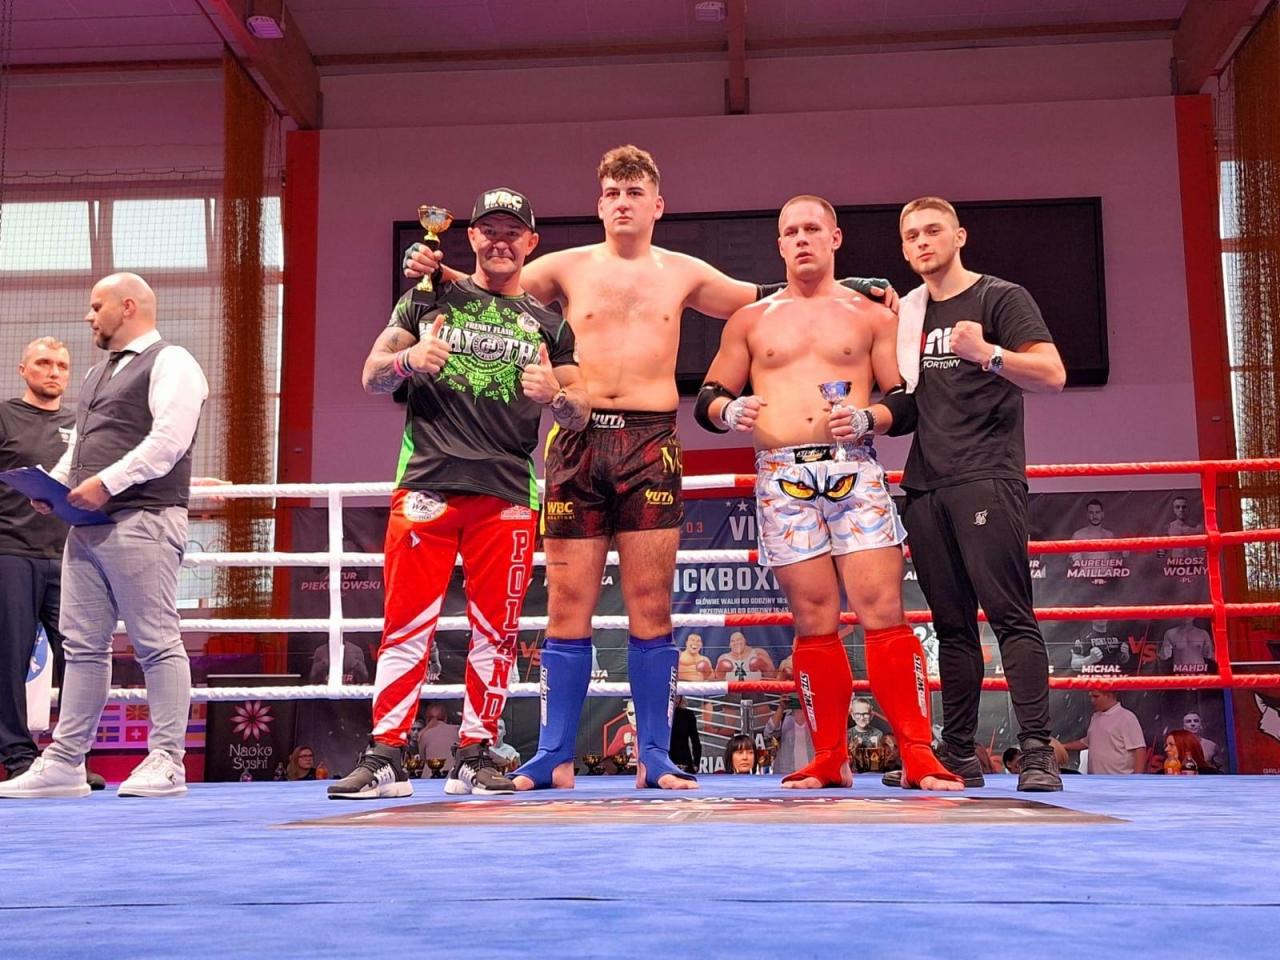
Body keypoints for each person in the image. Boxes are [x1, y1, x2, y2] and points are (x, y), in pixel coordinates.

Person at [407, 147, 895, 792]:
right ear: (599, 203)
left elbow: (774, 295)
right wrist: (433, 269)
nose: (623, 203)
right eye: (612, 192)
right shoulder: (564, 266)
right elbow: (492, 278)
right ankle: (554, 755)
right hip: (576, 437)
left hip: (650, 441)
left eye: (634, 192)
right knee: (567, 605)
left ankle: (656, 756)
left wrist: (852, 282)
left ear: (657, 205)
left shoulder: (683, 271)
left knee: (650, 604)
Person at [328, 187, 589, 801]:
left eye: (512, 232)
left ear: (531, 243)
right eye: (488, 231)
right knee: (405, 625)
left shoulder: (551, 324)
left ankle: (475, 753)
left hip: (508, 491)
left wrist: (554, 394)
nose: (500, 242)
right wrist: (410, 360)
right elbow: (370, 375)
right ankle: (386, 754)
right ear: (471, 237)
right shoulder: (428, 297)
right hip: (428, 481)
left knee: (496, 630)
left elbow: (580, 410)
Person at [698, 194, 961, 792]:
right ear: (779, 244)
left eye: (812, 229)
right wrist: (728, 410)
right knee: (814, 619)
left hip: (853, 468)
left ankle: (917, 753)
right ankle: (828, 757)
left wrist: (869, 418)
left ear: (835, 238)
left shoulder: (872, 315)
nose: (802, 239)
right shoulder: (750, 320)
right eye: (791, 231)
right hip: (781, 476)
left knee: (883, 611)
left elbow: (904, 401)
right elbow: (709, 396)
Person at [869, 196, 1066, 792]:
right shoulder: (909, 313)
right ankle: (957, 753)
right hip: (925, 483)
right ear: (904, 248)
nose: (922, 242)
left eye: (933, 231)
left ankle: (1038, 752)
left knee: (1009, 615)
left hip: (986, 474)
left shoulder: (1000, 298)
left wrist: (990, 355)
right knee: (951, 627)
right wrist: (866, 418)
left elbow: (1052, 375)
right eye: (911, 235)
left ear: (959, 236)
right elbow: (908, 407)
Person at [0, 273, 209, 800]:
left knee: (156, 641)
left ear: (128, 306)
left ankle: (167, 759)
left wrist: (105, 483)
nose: (89, 316)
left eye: (97, 307)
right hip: (87, 526)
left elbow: (169, 440)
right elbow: (82, 446)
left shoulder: (173, 361)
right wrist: (56, 487)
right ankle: (66, 761)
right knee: (82, 647)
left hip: (145, 518)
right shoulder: (97, 373)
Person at [0, 338, 75, 782]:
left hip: (70, 556)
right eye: (44, 363)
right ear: (23, 369)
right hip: (10, 551)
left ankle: (69, 757)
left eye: (61, 365)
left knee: (80, 656)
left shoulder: (81, 424)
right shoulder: (4, 416)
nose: (53, 372)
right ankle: (18, 760)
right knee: (9, 659)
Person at [1059, 690, 1146, 775]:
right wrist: (1062, 746)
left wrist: (1136, 779)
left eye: (1096, 696)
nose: (1092, 700)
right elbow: (1087, 742)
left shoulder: (1127, 717)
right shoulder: (1095, 717)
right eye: (1091, 697)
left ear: (1109, 695)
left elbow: (1139, 749)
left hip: (1119, 780)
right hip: (1095, 779)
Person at [764, 695, 815, 777]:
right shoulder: (783, 717)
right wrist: (781, 708)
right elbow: (769, 734)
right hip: (784, 775)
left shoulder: (817, 718)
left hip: (812, 775)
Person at [669, 695, 701, 774]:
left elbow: (695, 741)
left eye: (677, 697)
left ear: (681, 698)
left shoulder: (688, 715)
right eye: (673, 697)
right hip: (665, 762)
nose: (675, 700)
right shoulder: (660, 715)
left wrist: (696, 763)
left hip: (684, 762)